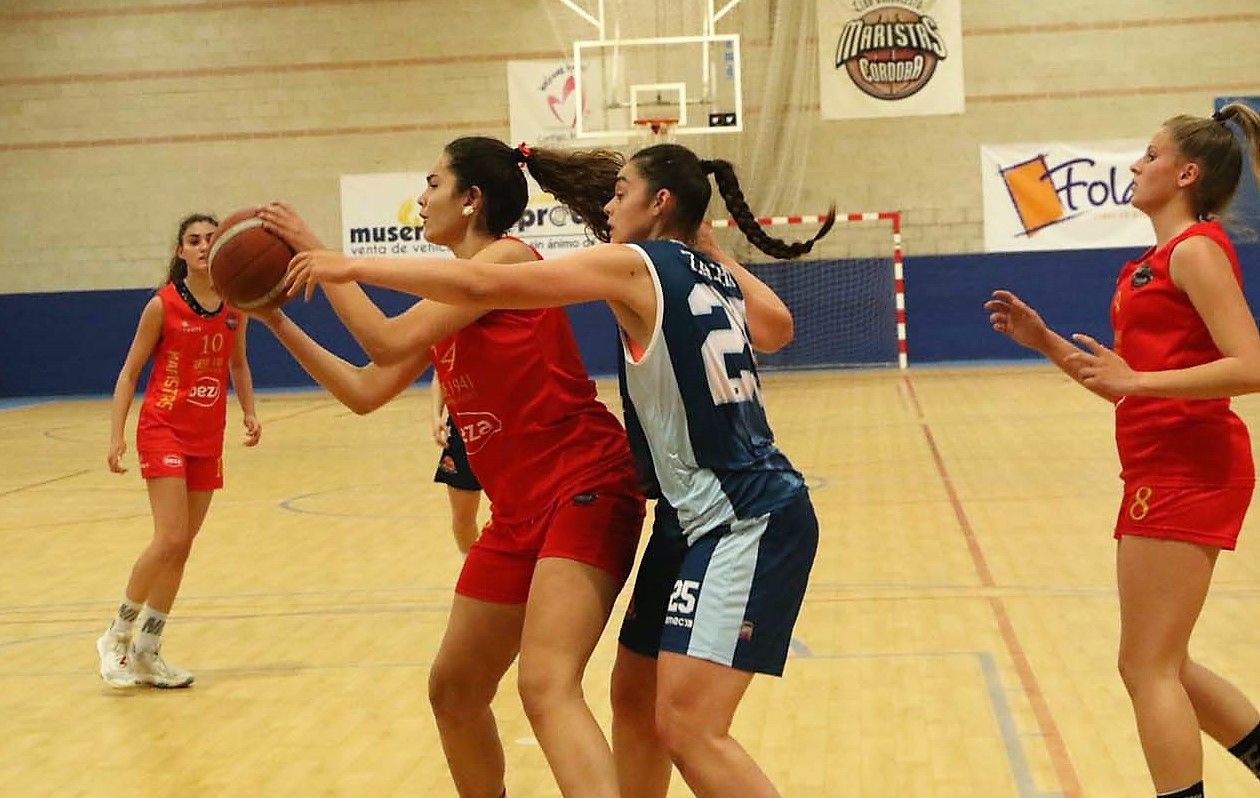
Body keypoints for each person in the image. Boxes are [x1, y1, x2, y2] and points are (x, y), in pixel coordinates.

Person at [283, 143, 834, 798]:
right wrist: (704, 244)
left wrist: (344, 263)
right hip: (676, 515)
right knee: (618, 696)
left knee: (675, 722)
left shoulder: (607, 263)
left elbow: (473, 290)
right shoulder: (692, 270)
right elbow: (776, 327)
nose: (606, 204)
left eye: (620, 190)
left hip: (697, 501)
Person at [253, 136, 646, 798]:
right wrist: (272, 319)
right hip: (520, 513)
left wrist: (326, 257)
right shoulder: (453, 297)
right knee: (454, 691)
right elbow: (365, 389)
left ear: (472, 200)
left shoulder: (504, 261)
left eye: (433, 183)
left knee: (545, 685)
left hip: (585, 487)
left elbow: (385, 338)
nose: (421, 196)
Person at [985, 103, 1260, 798]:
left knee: (1146, 668)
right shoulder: (1153, 263)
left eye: (1150, 154)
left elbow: (1253, 365)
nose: (1136, 166)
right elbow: (1129, 392)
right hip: (1160, 462)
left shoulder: (1195, 249)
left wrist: (1136, 377)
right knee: (1165, 662)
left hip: (1189, 465)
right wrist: (1045, 342)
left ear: (1186, 173)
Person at [96, 212, 262, 689]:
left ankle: (149, 649)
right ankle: (117, 635)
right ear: (181, 252)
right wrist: (116, 434)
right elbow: (129, 373)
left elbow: (239, 365)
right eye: (195, 240)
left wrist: (249, 411)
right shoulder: (162, 306)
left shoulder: (235, 306)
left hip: (206, 434)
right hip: (163, 428)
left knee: (183, 547)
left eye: (212, 238)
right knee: (169, 537)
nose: (205, 245)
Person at [431, 378, 481, 554]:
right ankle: (474, 571)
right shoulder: (446, 351)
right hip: (463, 428)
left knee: (516, 512)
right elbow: (439, 376)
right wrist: (436, 416)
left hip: (505, 425)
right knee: (462, 517)